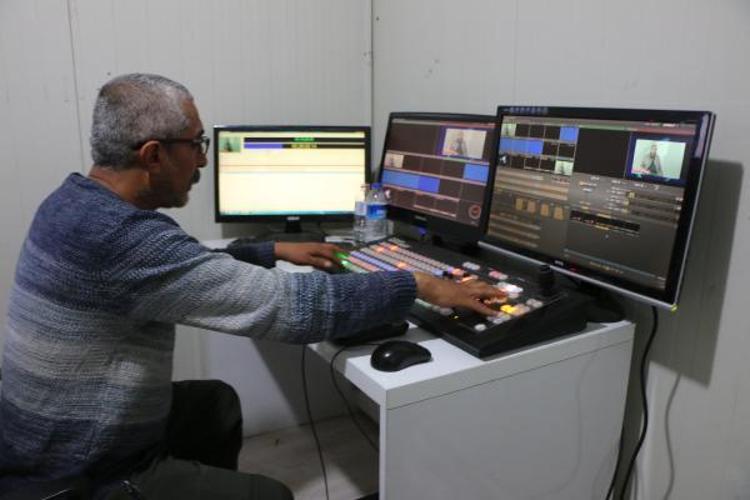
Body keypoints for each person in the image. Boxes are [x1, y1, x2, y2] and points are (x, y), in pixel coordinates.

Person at [0, 74, 503, 499]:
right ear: (153, 155)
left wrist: (271, 250)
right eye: (196, 145)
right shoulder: (124, 237)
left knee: (215, 406)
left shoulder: (75, 202)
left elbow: (182, 267)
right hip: (76, 472)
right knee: (271, 495)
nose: (202, 161)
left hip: (39, 436)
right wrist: (417, 284)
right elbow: (292, 308)